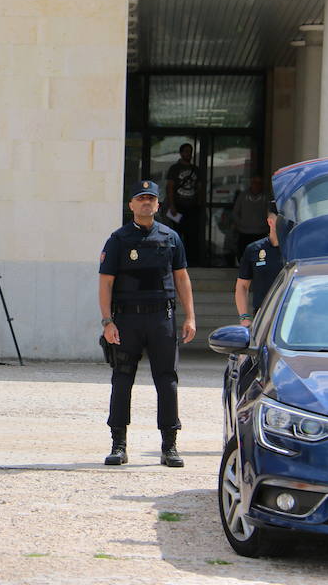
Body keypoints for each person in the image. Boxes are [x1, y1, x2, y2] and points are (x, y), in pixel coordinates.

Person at [99, 180, 196, 468]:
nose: (145, 203)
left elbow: (181, 278)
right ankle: (119, 444)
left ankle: (169, 445)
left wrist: (190, 316)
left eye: (150, 199)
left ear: (157, 205)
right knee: (122, 378)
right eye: (140, 198)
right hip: (127, 319)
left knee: (167, 380)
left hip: (161, 318)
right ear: (130, 205)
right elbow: (105, 283)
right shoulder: (118, 239)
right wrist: (107, 321)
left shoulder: (170, 237)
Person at [235, 202, 283, 326]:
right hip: (262, 317)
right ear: (271, 222)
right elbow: (242, 286)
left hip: (289, 316)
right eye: (282, 221)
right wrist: (244, 317)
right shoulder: (254, 249)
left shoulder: (295, 248)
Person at [165, 143, 205, 264]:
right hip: (178, 206)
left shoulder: (196, 170)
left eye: (190, 151)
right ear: (181, 153)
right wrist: (172, 205)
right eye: (186, 151)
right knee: (177, 234)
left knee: (192, 235)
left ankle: (192, 260)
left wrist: (199, 204)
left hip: (192, 207)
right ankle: (177, 260)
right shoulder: (175, 168)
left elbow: (199, 188)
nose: (188, 154)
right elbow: (170, 187)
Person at [232, 175, 269, 260]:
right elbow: (235, 212)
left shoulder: (267, 196)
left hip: (261, 233)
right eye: (255, 183)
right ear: (251, 184)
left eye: (259, 183)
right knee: (243, 255)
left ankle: (257, 272)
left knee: (260, 257)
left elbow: (272, 212)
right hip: (245, 232)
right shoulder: (243, 195)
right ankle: (245, 272)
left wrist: (266, 225)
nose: (257, 185)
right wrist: (241, 223)